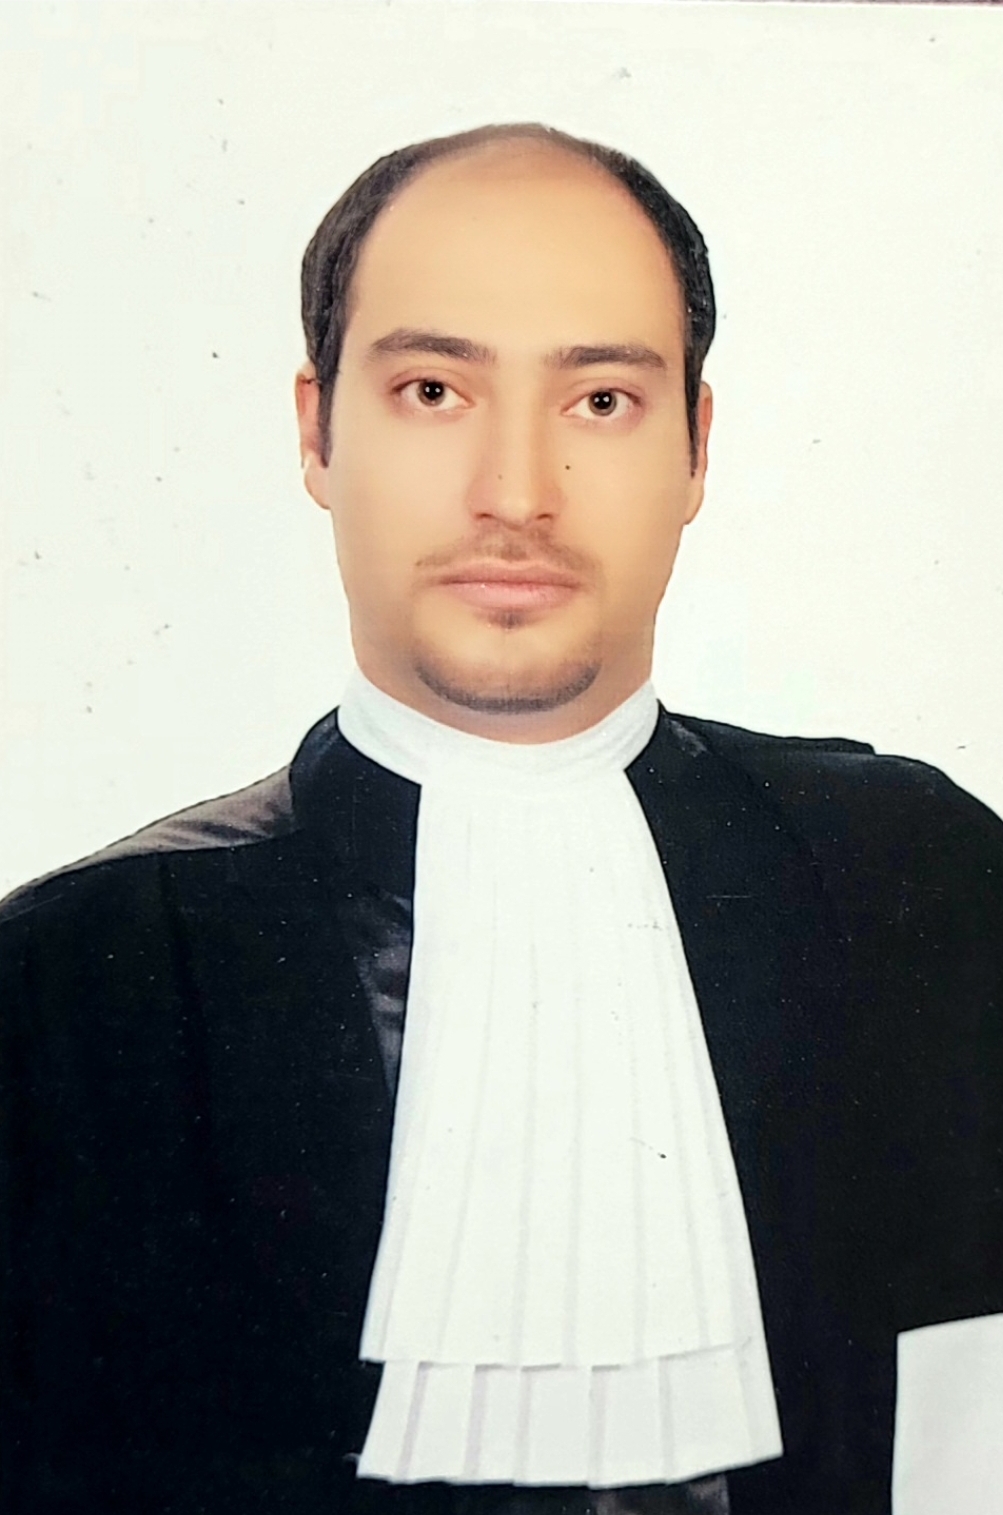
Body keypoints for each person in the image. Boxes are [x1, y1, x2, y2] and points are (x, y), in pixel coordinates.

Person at [1, 122, 1000, 1515]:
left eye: (601, 400)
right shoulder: (72, 980)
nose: (516, 494)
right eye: (432, 390)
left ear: (698, 448)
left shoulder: (922, 878)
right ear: (317, 433)